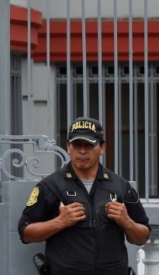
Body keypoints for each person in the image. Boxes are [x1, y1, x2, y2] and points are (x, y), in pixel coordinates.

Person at [18, 116, 151, 275]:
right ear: (68, 147)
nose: (82, 151)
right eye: (77, 145)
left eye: (89, 145)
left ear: (101, 148)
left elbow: (142, 237)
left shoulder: (121, 187)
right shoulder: (51, 186)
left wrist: (126, 221)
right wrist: (60, 222)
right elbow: (25, 233)